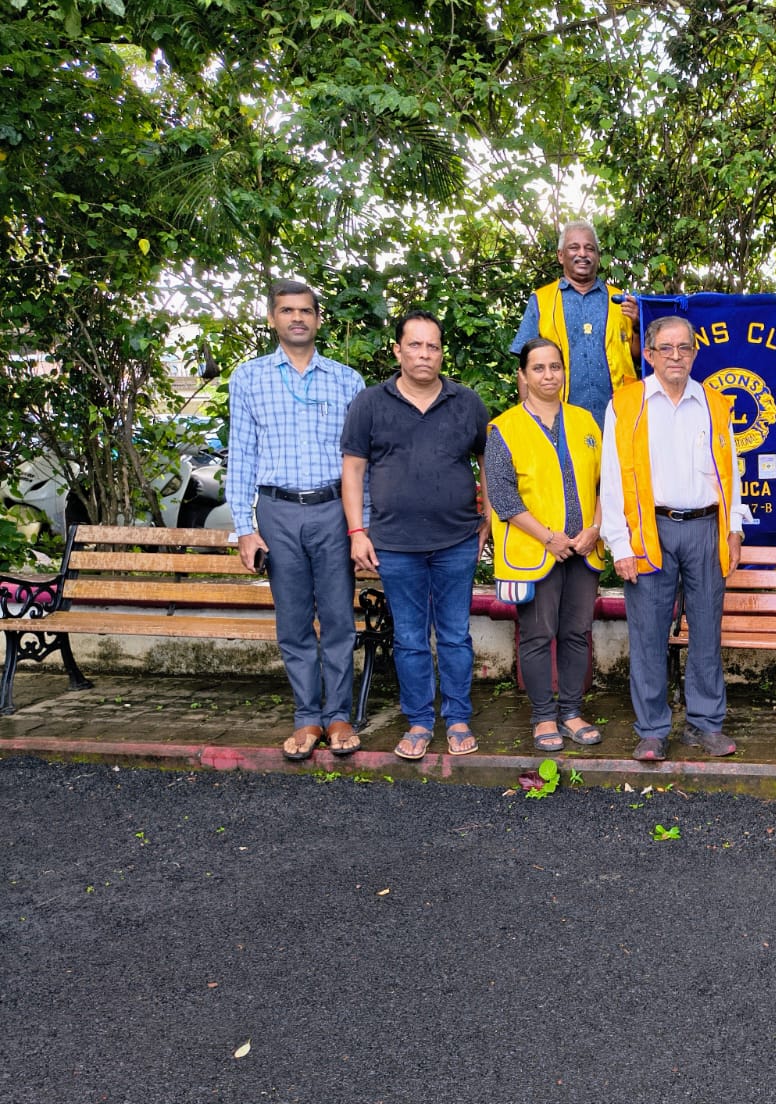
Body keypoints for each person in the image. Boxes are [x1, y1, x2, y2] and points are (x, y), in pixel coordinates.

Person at [227, 280, 366, 761]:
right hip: (277, 512)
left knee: (338, 619)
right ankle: (308, 718)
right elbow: (241, 457)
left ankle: (340, 715)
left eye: (305, 310)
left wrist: (359, 526)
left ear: (318, 319)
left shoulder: (346, 380)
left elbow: (360, 462)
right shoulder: (248, 379)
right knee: (292, 623)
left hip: (332, 510)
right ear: (272, 319)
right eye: (287, 311)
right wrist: (244, 529)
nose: (297, 318)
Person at [342, 311, 490, 760]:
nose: (425, 354)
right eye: (416, 345)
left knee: (454, 636)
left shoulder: (468, 402)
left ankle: (458, 717)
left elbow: (490, 465)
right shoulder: (370, 403)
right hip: (394, 544)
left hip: (457, 541)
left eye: (433, 346)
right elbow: (353, 471)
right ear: (398, 350)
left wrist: (489, 522)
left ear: (442, 352)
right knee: (408, 638)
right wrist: (356, 532)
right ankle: (420, 722)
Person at [599, 315, 746, 762]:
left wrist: (735, 526)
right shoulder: (625, 404)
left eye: (685, 348)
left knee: (706, 631)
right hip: (650, 530)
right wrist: (619, 544)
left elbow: (731, 469)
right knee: (648, 635)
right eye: (667, 348)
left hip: (706, 529)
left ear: (695, 354)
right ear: (649, 354)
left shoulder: (715, 404)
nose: (676, 356)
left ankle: (704, 724)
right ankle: (652, 730)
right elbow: (611, 477)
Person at [486, 338, 605, 754]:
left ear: (564, 372)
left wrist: (595, 527)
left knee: (577, 633)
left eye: (555, 367)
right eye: (538, 368)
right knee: (537, 636)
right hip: (537, 550)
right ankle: (542, 717)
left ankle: (571, 712)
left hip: (583, 549)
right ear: (522, 375)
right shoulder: (505, 428)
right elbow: (501, 496)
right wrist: (548, 537)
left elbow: (606, 482)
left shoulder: (585, 421)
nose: (548, 375)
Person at [508, 220, 639, 429]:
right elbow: (525, 367)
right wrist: (529, 422)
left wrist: (636, 324)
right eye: (574, 247)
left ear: (597, 256)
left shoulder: (621, 300)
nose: (583, 254)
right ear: (561, 255)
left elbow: (638, 355)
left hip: (619, 417)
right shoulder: (542, 301)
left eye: (589, 248)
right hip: (558, 419)